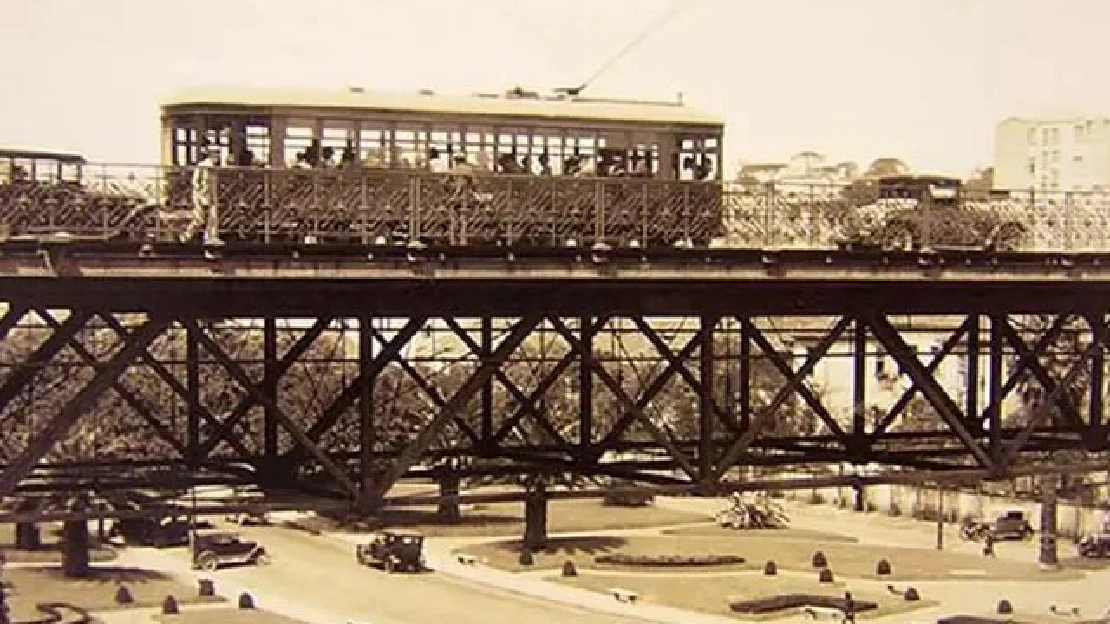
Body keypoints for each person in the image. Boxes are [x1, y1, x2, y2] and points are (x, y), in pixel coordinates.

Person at [180, 150, 223, 245]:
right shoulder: (202, 166)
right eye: (216, 154)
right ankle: (186, 235)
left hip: (211, 196)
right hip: (200, 196)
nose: (218, 157)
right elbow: (195, 182)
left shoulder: (214, 168)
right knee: (199, 219)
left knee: (213, 218)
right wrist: (200, 195)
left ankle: (211, 238)